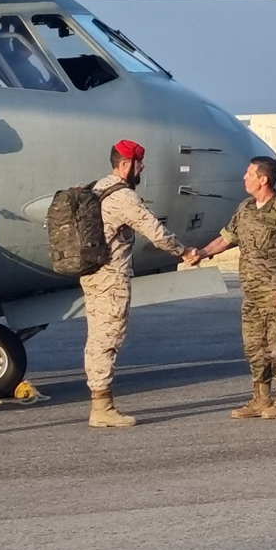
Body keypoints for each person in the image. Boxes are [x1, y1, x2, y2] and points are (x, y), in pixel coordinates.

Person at [187, 157, 276, 420]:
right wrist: (203, 253)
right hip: (251, 293)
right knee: (253, 346)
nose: (244, 177)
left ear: (263, 179)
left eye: (249, 173)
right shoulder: (245, 208)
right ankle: (261, 399)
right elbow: (227, 238)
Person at [81, 140, 190, 427]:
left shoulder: (97, 187)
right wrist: (184, 251)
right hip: (111, 278)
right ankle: (102, 408)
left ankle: (100, 402)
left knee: (97, 337)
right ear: (127, 164)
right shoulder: (123, 197)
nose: (142, 168)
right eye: (139, 163)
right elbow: (154, 231)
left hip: (92, 274)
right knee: (108, 338)